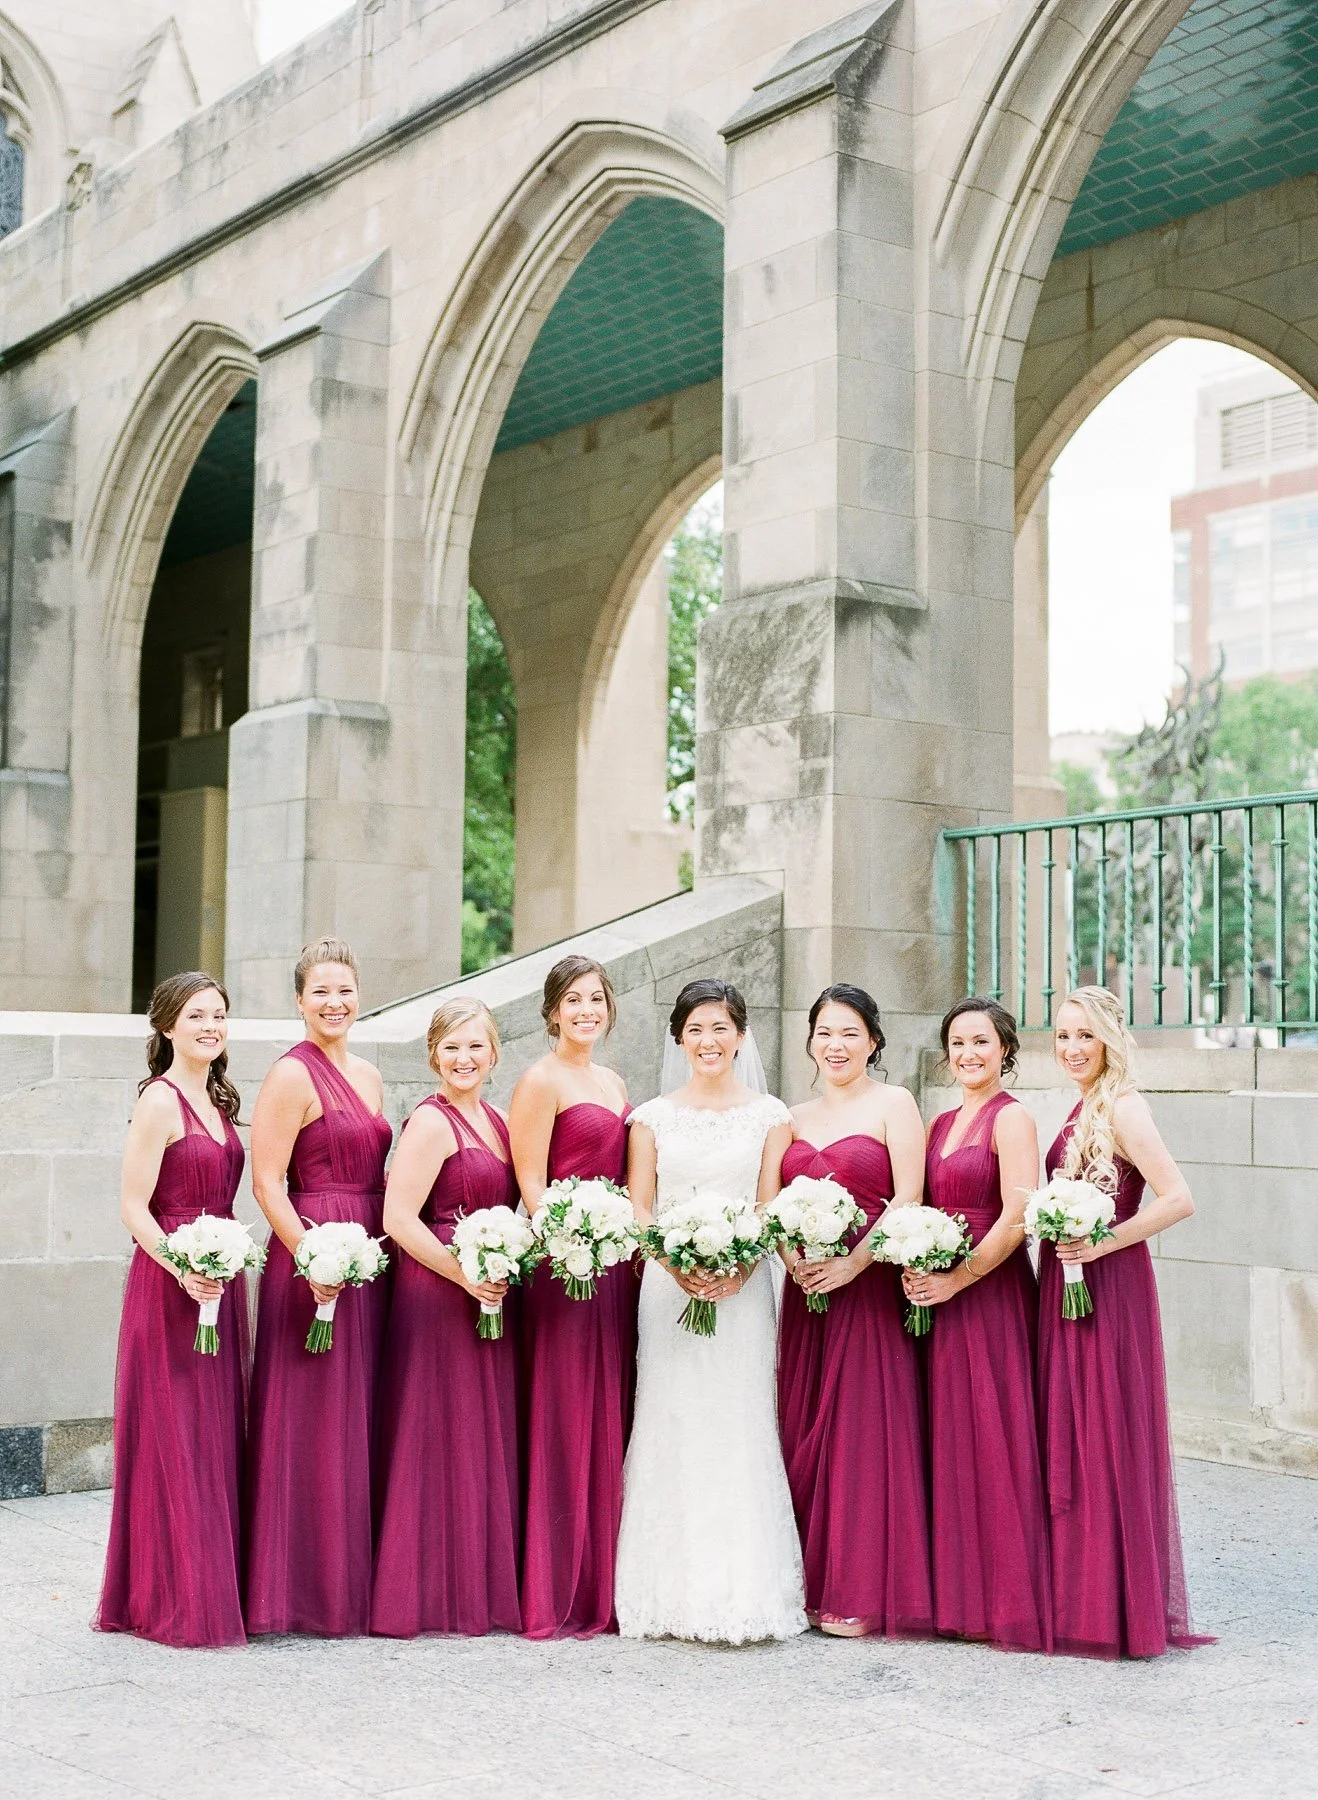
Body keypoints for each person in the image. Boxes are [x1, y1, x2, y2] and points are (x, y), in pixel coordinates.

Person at [614, 978, 806, 1644]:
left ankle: (743, 1590)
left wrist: (743, 1264)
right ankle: (663, 1594)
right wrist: (674, 1261)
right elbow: (641, 1206)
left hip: (745, 1289)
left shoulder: (771, 1116)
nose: (709, 1041)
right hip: (668, 1291)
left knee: (737, 1418)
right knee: (672, 1419)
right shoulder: (651, 1118)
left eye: (721, 1027)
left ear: (741, 1035)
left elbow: (768, 1204)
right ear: (678, 1039)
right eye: (696, 1029)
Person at [1040, 986, 1212, 1658]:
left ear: (1110, 1039)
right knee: (1075, 1432)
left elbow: (1179, 1198)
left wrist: (1106, 1242)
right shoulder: (1082, 1106)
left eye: (1085, 1035)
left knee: (1105, 1429)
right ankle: (1083, 1597)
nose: (1073, 1048)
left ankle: (1119, 1610)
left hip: (1110, 1285)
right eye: (1062, 1037)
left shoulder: (1124, 1106)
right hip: (1070, 1279)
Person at [243, 938, 392, 1637]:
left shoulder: (369, 1073)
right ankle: (295, 1591)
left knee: (356, 1413)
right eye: (321, 992)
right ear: (299, 1001)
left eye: (345, 990)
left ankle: (349, 1584)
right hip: (312, 1261)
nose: (335, 1003)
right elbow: (266, 1181)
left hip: (367, 1256)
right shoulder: (289, 1076)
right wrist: (312, 1257)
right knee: (308, 1419)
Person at [95, 972, 248, 1648]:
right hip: (170, 1285)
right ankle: (171, 1597)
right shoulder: (159, 1101)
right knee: (173, 1435)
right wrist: (185, 1268)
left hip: (221, 1281)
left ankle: (208, 1582)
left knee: (213, 1434)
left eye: (219, 1015)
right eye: (196, 1016)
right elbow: (133, 1207)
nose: (210, 1026)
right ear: (165, 1027)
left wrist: (220, 1263)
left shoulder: (216, 1098)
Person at [776, 984, 933, 1638]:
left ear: (872, 1040)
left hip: (867, 1287)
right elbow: (768, 1202)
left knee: (863, 1432)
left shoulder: (894, 1103)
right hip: (806, 1292)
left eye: (849, 1033)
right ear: (810, 1041)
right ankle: (808, 1583)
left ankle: (861, 1589)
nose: (835, 1046)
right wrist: (792, 1258)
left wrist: (853, 1264)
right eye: (824, 1033)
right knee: (806, 1423)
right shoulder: (789, 1116)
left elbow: (908, 1196)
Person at [371, 998, 521, 1636]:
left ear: (493, 1054)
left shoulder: (498, 1119)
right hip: (436, 1290)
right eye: (452, 1048)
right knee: (432, 1430)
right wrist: (465, 1274)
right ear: (434, 1054)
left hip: (485, 1289)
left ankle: (474, 1584)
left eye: (475, 1047)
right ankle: (424, 1591)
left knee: (475, 1431)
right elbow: (397, 1218)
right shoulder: (431, 1124)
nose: (464, 1059)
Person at [918, 997, 1052, 1653]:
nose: (968, 1054)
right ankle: (957, 1598)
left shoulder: (1013, 1118)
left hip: (989, 1294)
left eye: (981, 1042)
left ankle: (1002, 1599)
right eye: (958, 1043)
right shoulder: (940, 1121)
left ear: (1004, 1049)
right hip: (937, 1298)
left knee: (993, 1433)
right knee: (948, 1436)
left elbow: (1017, 1216)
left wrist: (959, 1277)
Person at [510, 955, 637, 1639]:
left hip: (612, 1267)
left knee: (607, 1410)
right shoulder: (539, 1079)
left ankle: (602, 1577)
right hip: (565, 1268)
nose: (586, 1010)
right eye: (574, 1000)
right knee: (564, 1414)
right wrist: (567, 1241)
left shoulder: (613, 1081)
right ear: (553, 1011)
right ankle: (555, 1586)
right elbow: (529, 1179)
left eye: (596, 999)